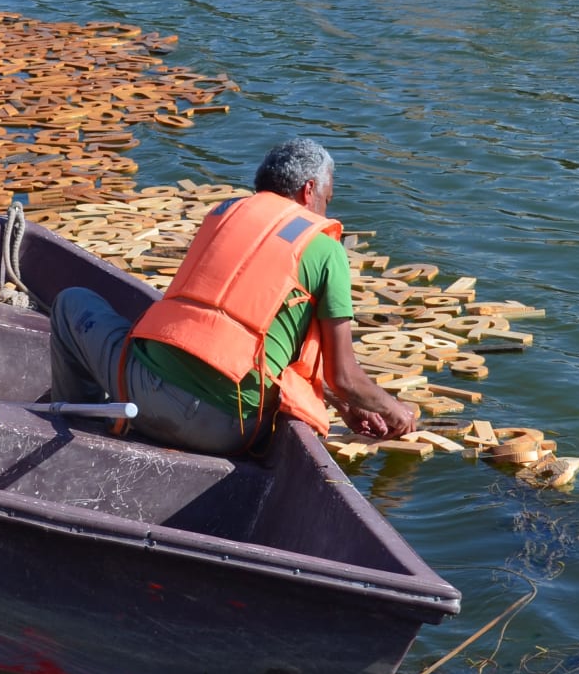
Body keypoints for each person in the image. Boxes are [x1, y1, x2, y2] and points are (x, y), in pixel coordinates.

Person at [49, 137, 418, 455]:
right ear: (309, 191)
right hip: (230, 430)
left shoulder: (223, 215)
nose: (326, 208)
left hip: (140, 397)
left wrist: (343, 403)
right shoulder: (326, 251)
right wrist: (395, 412)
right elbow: (343, 375)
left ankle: (79, 425)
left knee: (71, 303)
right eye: (327, 196)